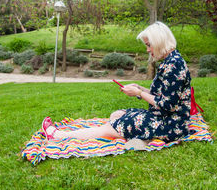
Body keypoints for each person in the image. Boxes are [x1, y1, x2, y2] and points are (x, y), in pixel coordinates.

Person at [42, 21, 192, 143]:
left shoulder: (173, 65)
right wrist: (139, 89)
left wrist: (139, 93)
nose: (147, 50)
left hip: (171, 125)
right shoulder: (171, 61)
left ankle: (57, 136)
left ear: (158, 42)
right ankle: (134, 136)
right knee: (117, 115)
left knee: (112, 126)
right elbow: (161, 95)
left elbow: (169, 105)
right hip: (163, 118)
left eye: (148, 45)